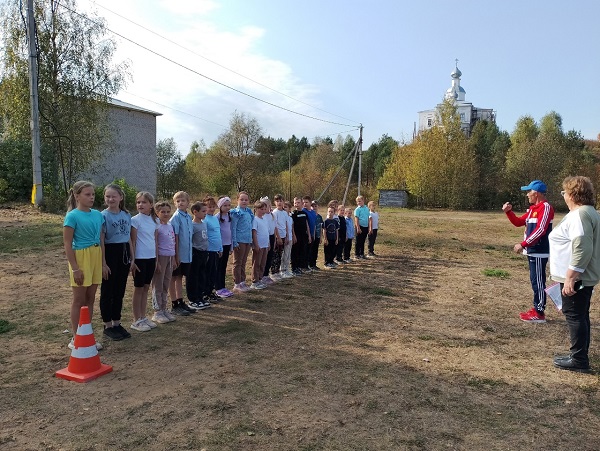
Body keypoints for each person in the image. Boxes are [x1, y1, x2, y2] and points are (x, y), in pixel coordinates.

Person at [549, 176, 600, 372]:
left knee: (575, 316)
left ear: (571, 195)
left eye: (564, 193)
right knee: (580, 315)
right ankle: (579, 355)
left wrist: (571, 276)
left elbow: (582, 246)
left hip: (577, 276)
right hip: (583, 274)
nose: (564, 197)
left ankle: (579, 360)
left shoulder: (580, 215)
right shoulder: (590, 213)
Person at [63, 181, 108, 349]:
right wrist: (75, 268)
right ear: (77, 196)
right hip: (81, 257)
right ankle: (76, 338)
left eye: (93, 194)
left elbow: (101, 240)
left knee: (90, 299)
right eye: (87, 194)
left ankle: (86, 335)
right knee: (79, 299)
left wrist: (103, 263)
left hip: (96, 255)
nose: (91, 197)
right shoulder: (72, 216)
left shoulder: (98, 214)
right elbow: (67, 244)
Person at [502, 180, 554, 323]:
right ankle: (536, 308)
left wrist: (523, 244)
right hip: (532, 250)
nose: (527, 195)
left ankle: (539, 313)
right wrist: (509, 212)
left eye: (528, 192)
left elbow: (541, 230)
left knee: (538, 282)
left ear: (535, 193)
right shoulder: (533, 209)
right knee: (534, 281)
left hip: (539, 251)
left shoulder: (546, 208)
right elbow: (519, 222)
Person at [100, 184, 133, 341]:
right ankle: (107, 325)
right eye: (107, 196)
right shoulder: (103, 216)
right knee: (108, 290)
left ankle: (117, 322)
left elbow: (129, 239)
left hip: (124, 253)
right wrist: (103, 263)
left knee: (119, 290)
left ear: (121, 197)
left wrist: (132, 259)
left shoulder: (126, 215)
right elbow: (101, 241)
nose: (110, 199)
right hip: (110, 252)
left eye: (114, 196)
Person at [130, 192, 160, 332]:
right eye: (138, 202)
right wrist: (133, 260)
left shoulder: (155, 220)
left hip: (151, 258)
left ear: (151, 204)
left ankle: (142, 316)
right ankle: (136, 319)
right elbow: (133, 241)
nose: (140, 205)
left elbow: (155, 241)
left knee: (146, 288)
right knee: (138, 288)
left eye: (144, 202)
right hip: (139, 259)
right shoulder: (135, 220)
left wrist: (157, 260)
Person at [169, 191, 195, 316]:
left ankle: (180, 300)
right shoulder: (176, 217)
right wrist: (176, 255)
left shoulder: (188, 216)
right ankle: (174, 303)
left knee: (180, 277)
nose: (180, 203)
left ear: (188, 203)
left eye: (182, 201)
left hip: (187, 253)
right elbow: (176, 237)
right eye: (177, 201)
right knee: (173, 278)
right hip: (178, 254)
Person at [151, 201, 177, 324]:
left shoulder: (170, 225)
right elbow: (155, 244)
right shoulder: (157, 226)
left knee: (166, 283)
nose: (166, 214)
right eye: (163, 212)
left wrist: (175, 258)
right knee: (158, 284)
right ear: (157, 212)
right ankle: (157, 311)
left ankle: (164, 307)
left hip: (170, 257)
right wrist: (156, 261)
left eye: (168, 211)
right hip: (161, 257)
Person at [188, 201, 211, 309]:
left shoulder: (203, 223)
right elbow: (190, 240)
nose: (205, 213)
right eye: (203, 211)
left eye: (206, 211)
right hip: (196, 252)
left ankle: (200, 296)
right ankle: (193, 299)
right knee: (194, 276)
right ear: (195, 212)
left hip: (204, 252)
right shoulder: (192, 225)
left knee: (202, 275)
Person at [231, 191, 254, 293]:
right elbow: (233, 228)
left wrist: (252, 240)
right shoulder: (236, 213)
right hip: (239, 240)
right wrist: (234, 242)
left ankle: (242, 281)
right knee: (237, 262)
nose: (244, 201)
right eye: (242, 199)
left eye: (246, 200)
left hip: (247, 240)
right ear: (237, 200)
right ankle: (237, 283)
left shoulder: (248, 212)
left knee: (243, 262)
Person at [203, 196, 223, 302]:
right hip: (208, 250)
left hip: (215, 250)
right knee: (208, 272)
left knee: (214, 272)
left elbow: (218, 234)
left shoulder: (215, 218)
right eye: (208, 207)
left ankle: (211, 291)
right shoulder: (204, 219)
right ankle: (205, 293)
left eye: (212, 206)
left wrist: (220, 248)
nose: (211, 209)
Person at [215, 196, 234, 298]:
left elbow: (230, 231)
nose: (227, 207)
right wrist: (219, 247)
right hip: (220, 246)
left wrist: (231, 247)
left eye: (229, 205)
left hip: (227, 245)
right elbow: (217, 233)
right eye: (225, 205)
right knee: (219, 267)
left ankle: (222, 286)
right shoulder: (217, 217)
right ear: (220, 206)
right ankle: (218, 287)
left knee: (223, 267)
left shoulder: (230, 217)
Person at [251, 200, 270, 289]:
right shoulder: (255, 220)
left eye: (264, 209)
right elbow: (254, 233)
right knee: (256, 263)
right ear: (256, 209)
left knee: (263, 263)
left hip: (265, 245)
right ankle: (255, 281)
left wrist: (268, 243)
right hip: (259, 245)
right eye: (261, 209)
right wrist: (256, 245)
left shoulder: (265, 219)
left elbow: (267, 232)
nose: (263, 211)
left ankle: (260, 278)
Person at [291, 197, 311, 275]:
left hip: (304, 236)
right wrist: (294, 235)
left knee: (302, 251)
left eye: (298, 203)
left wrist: (309, 235)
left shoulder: (304, 213)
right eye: (295, 203)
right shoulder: (293, 213)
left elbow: (307, 225)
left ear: (302, 204)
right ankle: (294, 268)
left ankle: (299, 267)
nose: (297, 204)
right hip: (296, 236)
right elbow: (292, 225)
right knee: (295, 252)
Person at [270, 194, 288, 281]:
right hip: (278, 237)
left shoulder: (284, 213)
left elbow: (286, 224)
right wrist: (278, 237)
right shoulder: (274, 213)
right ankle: (274, 272)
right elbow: (275, 226)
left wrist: (287, 236)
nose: (279, 203)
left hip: (284, 236)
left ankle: (278, 271)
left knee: (280, 254)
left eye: (281, 201)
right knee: (275, 255)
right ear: (275, 202)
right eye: (277, 201)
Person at [260, 196, 277, 285]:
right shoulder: (262, 216)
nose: (266, 207)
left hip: (271, 237)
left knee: (270, 256)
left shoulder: (272, 215)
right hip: (265, 238)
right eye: (264, 205)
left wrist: (274, 240)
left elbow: (273, 228)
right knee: (264, 258)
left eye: (267, 205)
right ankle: (261, 275)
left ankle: (266, 274)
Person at [279, 201, 295, 278]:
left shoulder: (290, 218)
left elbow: (292, 228)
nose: (284, 208)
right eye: (283, 207)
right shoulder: (282, 216)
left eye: (286, 207)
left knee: (288, 254)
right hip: (285, 238)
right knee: (284, 254)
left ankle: (287, 269)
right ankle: (282, 270)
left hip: (290, 238)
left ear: (289, 209)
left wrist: (293, 236)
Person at [302, 196, 317, 270]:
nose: (304, 204)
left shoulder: (313, 212)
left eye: (306, 202)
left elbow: (313, 224)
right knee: (305, 250)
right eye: (303, 202)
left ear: (310, 203)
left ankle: (310, 264)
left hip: (312, 234)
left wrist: (313, 234)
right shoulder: (303, 211)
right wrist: (308, 235)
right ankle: (304, 266)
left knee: (310, 250)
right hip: (305, 235)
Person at [310, 201, 323, 270]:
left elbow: (320, 227)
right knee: (311, 250)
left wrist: (321, 237)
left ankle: (314, 264)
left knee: (315, 250)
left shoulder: (319, 217)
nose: (314, 207)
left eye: (315, 206)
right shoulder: (310, 215)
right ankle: (310, 264)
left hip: (317, 236)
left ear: (318, 207)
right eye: (313, 206)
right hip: (312, 236)